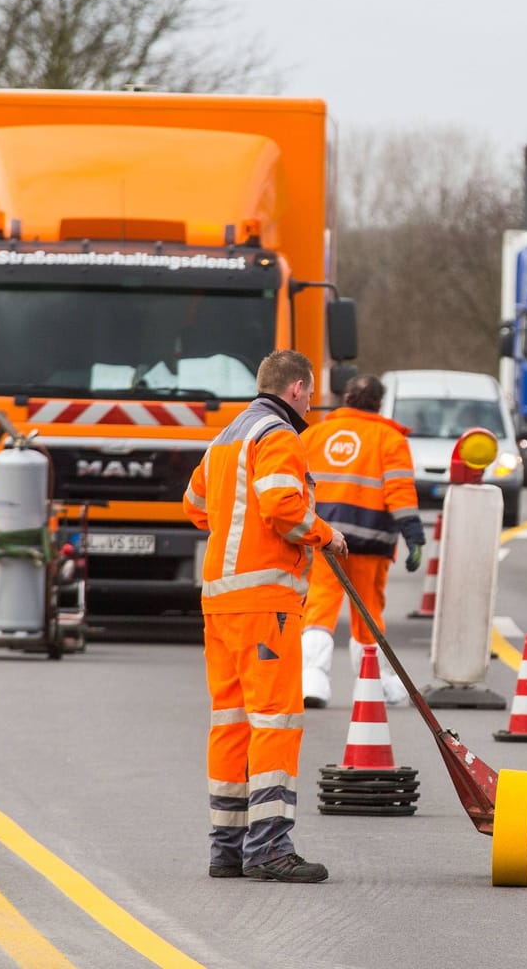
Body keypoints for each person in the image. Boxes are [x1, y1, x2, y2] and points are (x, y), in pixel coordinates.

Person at [184, 350, 345, 884]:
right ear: (297, 388)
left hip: (220, 601)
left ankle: (226, 847)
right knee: (276, 721)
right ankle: (270, 846)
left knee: (230, 722)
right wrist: (324, 534)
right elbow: (281, 508)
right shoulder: (278, 435)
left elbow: (194, 504)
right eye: (311, 392)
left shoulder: (226, 437)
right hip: (265, 604)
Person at [298, 374, 426, 707]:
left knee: (318, 607)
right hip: (370, 542)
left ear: (346, 400)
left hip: (324, 540)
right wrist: (414, 537)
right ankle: (374, 684)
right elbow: (399, 492)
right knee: (368, 613)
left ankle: (312, 681)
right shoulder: (389, 439)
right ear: (380, 404)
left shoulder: (315, 434)